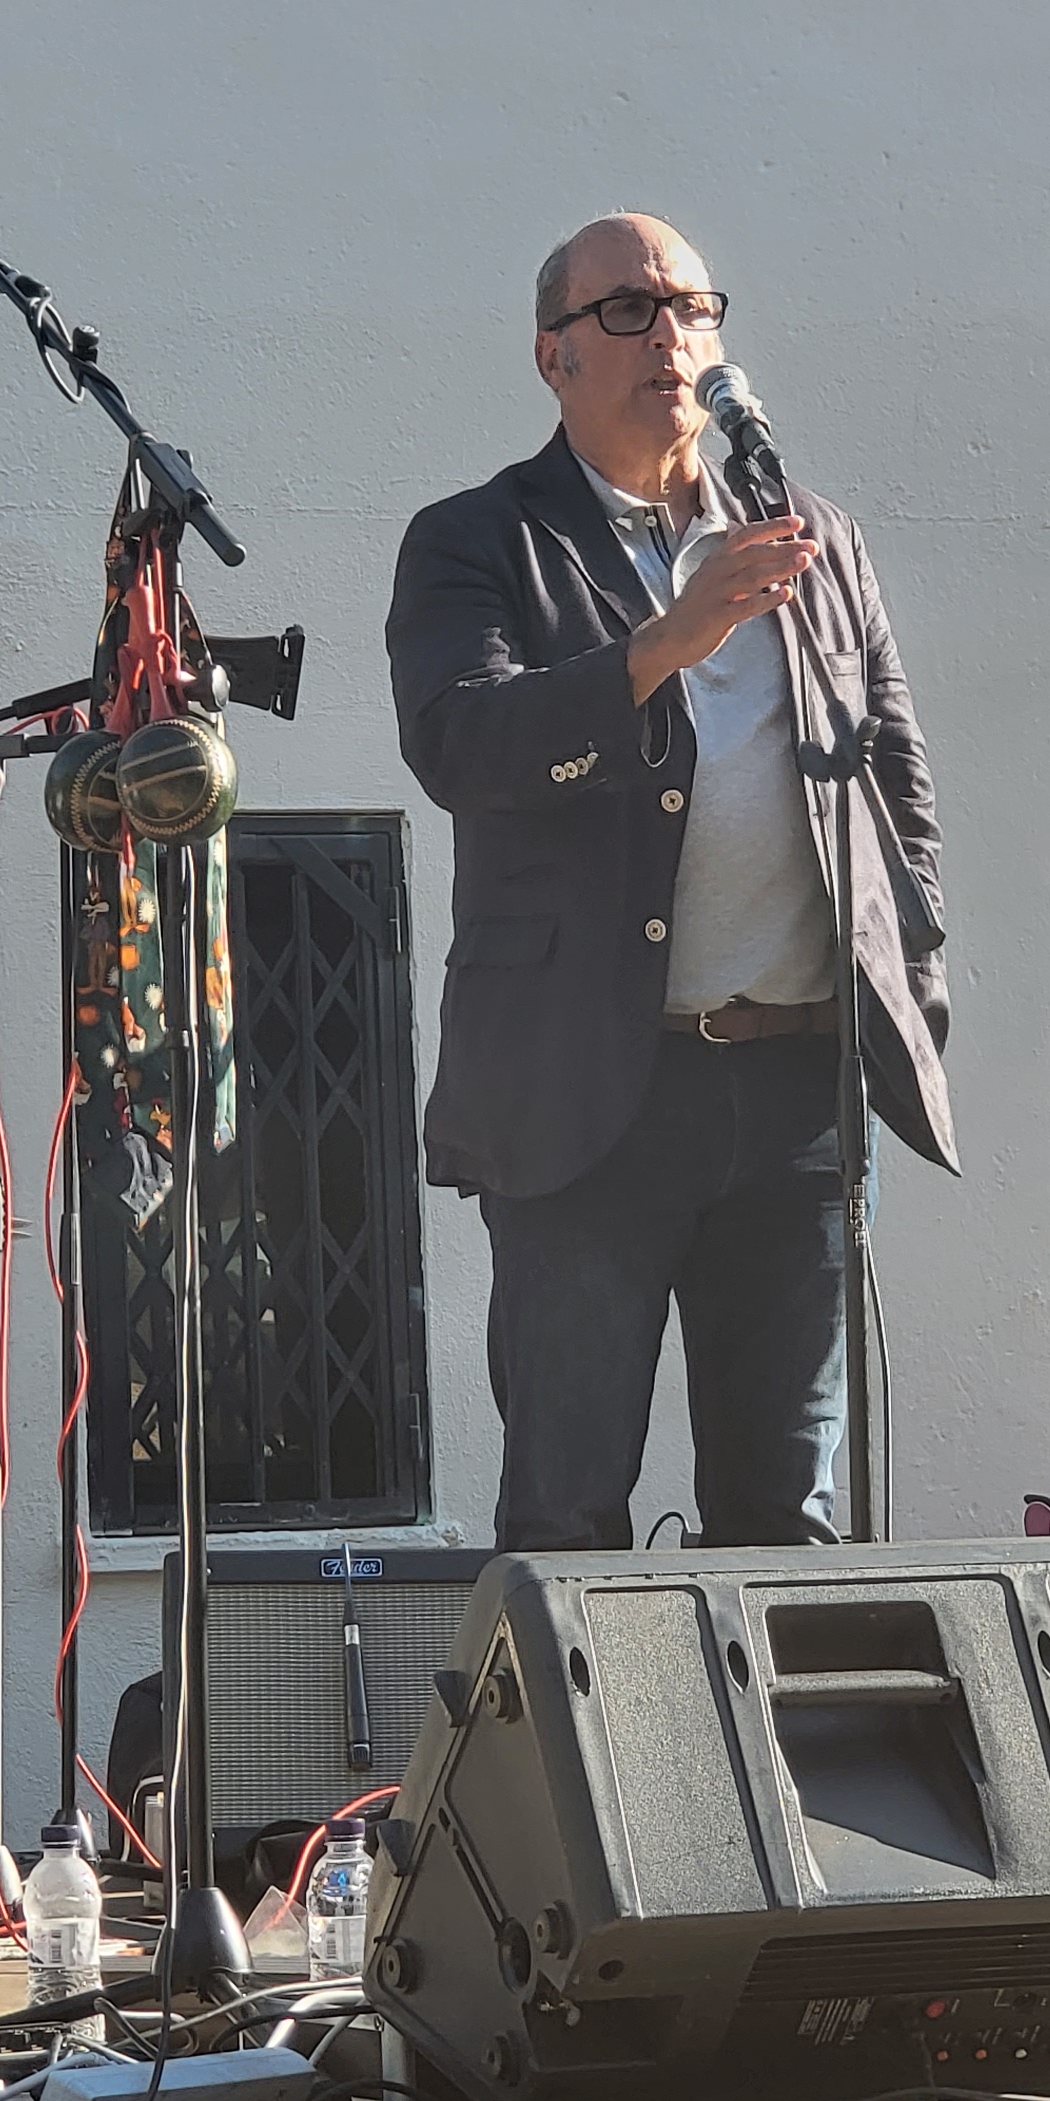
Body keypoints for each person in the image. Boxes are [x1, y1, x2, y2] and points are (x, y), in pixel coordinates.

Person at [385, 213, 954, 1552]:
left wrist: (910, 983)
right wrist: (664, 645)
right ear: (554, 356)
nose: (670, 336)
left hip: (795, 1093)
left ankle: (780, 1768)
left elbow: (895, 783)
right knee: (570, 1511)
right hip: (592, 1097)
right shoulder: (480, 542)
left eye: (692, 308)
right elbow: (463, 743)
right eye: (629, 311)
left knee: (791, 1520)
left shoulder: (812, 536)